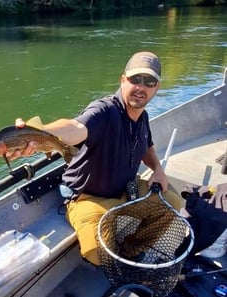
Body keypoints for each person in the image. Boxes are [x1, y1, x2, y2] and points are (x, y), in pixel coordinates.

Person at [10, 51, 181, 265]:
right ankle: (113, 258)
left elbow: (146, 145)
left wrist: (158, 169)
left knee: (173, 202)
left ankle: (132, 250)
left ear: (156, 88)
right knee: (97, 251)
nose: (141, 87)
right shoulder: (103, 111)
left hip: (125, 189)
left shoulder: (142, 116)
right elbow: (76, 127)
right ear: (122, 80)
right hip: (88, 197)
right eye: (135, 79)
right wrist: (38, 132)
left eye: (149, 81)